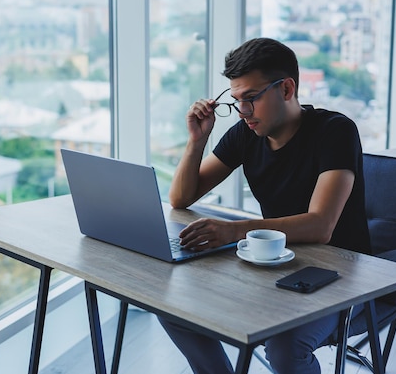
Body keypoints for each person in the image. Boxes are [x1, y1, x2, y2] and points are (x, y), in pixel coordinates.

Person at [159, 37, 372, 374]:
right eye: (237, 101)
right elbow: (181, 198)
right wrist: (196, 141)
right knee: (173, 309)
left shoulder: (335, 131)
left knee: (285, 349)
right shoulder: (246, 133)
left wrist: (232, 231)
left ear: (286, 89)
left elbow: (321, 226)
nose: (243, 112)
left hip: (340, 275)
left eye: (251, 99)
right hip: (275, 265)